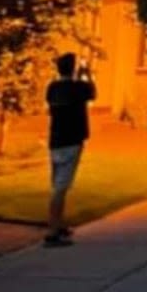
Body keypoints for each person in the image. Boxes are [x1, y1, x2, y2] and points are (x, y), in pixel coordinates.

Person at [45, 52, 96, 248]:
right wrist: (87, 73)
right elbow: (93, 92)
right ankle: (52, 232)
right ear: (73, 68)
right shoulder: (79, 88)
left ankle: (59, 225)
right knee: (60, 188)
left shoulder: (52, 88)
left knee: (58, 185)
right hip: (72, 140)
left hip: (55, 140)